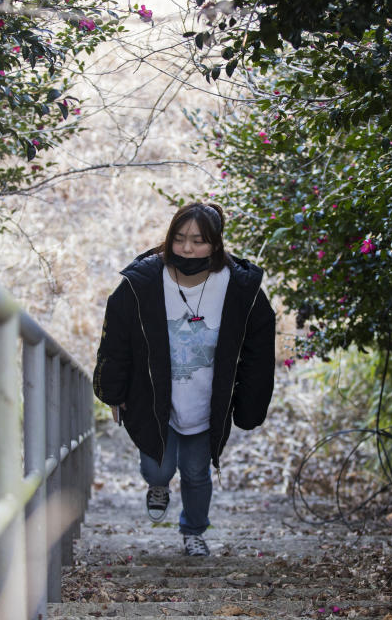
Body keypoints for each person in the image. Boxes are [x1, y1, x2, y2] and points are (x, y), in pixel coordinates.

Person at [93, 201, 275, 557]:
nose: (187, 249)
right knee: (158, 469)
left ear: (216, 244)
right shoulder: (142, 283)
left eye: (198, 241)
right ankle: (158, 487)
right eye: (179, 239)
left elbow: (258, 348)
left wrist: (249, 403)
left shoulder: (239, 286)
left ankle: (194, 531)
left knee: (195, 473)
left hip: (207, 403)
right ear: (168, 240)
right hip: (153, 399)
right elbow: (116, 340)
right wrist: (113, 391)